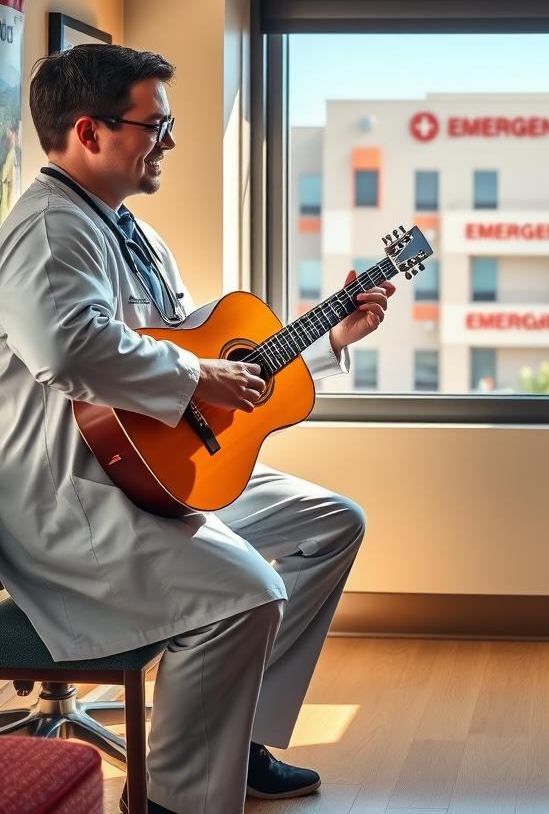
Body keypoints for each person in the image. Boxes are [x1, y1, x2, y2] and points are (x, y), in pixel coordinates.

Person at [0, 44, 395, 814]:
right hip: (74, 500)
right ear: (90, 131)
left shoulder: (129, 231)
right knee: (248, 593)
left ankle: (237, 739)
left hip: (147, 474)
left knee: (329, 524)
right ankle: (177, 802)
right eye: (157, 125)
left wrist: (330, 343)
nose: (170, 142)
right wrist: (196, 376)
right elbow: (67, 349)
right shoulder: (48, 229)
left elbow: (192, 352)